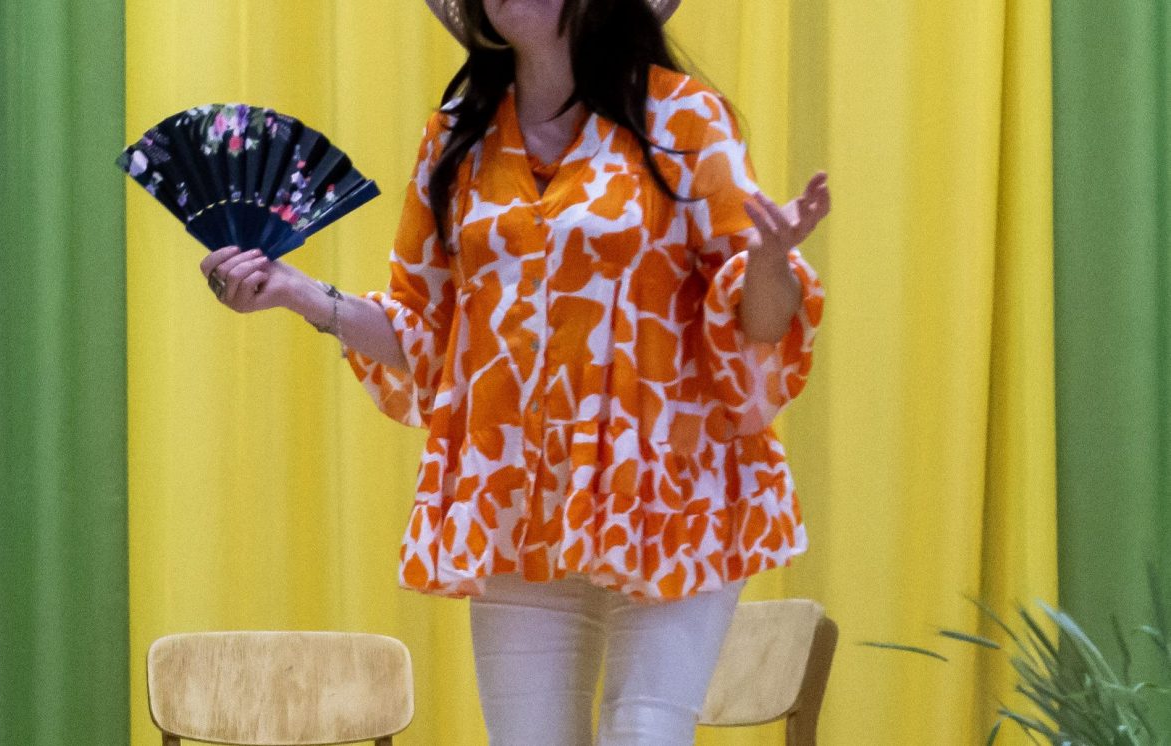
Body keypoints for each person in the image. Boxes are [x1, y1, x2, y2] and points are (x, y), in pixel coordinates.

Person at [198, 0, 829, 742]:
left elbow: (758, 325)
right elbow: (427, 333)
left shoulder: (683, 118)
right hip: (513, 503)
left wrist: (770, 259)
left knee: (643, 732)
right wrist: (299, 293)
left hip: (671, 491)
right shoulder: (455, 139)